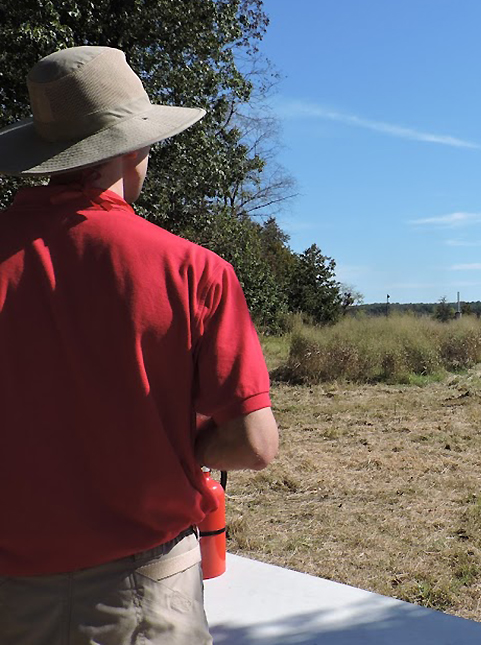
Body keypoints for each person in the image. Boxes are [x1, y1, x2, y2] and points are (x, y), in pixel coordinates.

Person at [0, 46, 279, 644]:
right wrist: (184, 444)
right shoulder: (194, 271)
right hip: (142, 587)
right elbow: (255, 444)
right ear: (134, 149)